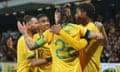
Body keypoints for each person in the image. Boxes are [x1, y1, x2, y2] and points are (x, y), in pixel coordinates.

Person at [17, 5, 104, 72]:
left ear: (57, 16)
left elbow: (31, 46)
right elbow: (99, 36)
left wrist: (24, 33)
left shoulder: (50, 32)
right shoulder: (78, 29)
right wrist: (85, 41)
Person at [75, 3, 108, 72]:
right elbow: (105, 42)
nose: (75, 15)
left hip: (89, 69)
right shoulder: (96, 26)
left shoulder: (91, 27)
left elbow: (104, 42)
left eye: (77, 12)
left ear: (84, 14)